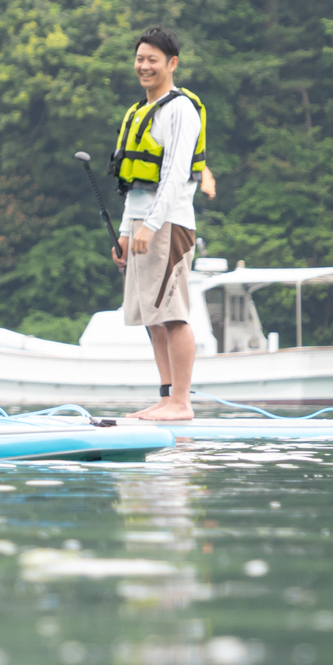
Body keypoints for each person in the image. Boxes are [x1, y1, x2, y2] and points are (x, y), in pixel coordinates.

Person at [108, 27, 207, 421]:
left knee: (172, 311)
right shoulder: (139, 111)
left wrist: (149, 225)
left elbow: (175, 174)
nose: (144, 66)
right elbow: (137, 184)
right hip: (144, 225)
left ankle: (182, 402)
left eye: (152, 59)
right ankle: (167, 396)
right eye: (140, 59)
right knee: (153, 317)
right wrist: (126, 231)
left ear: (172, 63)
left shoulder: (179, 109)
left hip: (171, 225)